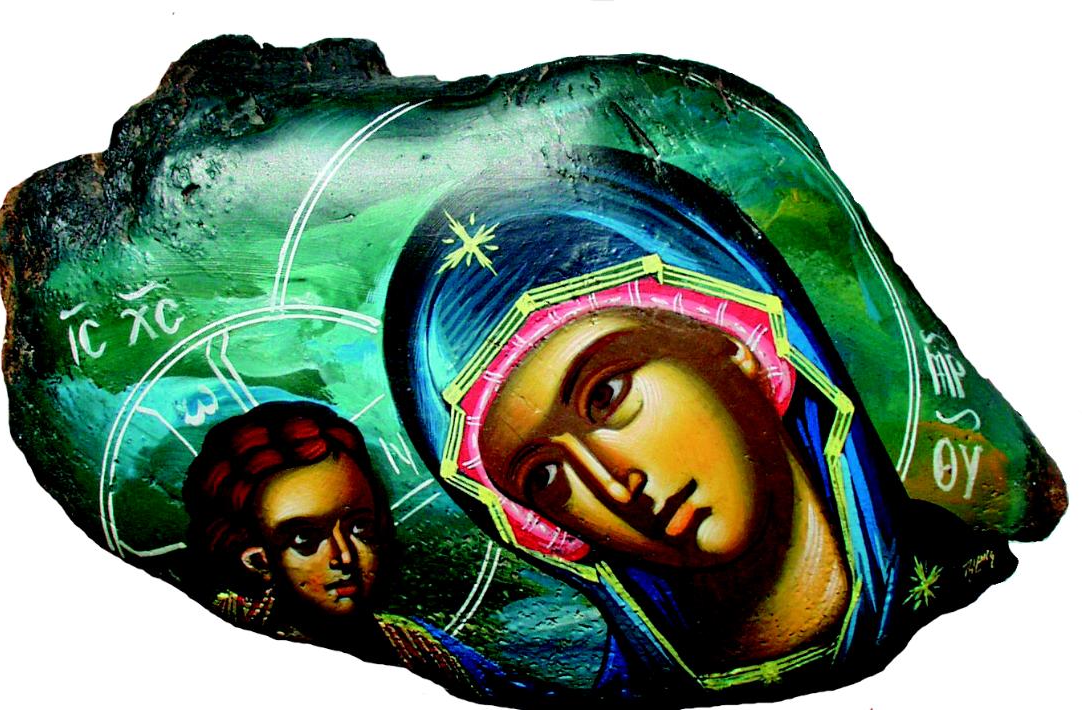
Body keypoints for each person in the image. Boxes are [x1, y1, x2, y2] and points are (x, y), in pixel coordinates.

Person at [384, 146, 1016, 702]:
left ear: (733, 341)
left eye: (607, 395)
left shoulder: (944, 558)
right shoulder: (604, 686)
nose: (615, 484)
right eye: (544, 476)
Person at [181, 400, 517, 700]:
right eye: (305, 540)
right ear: (257, 559)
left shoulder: (418, 650)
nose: (344, 556)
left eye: (358, 528)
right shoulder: (214, 648)